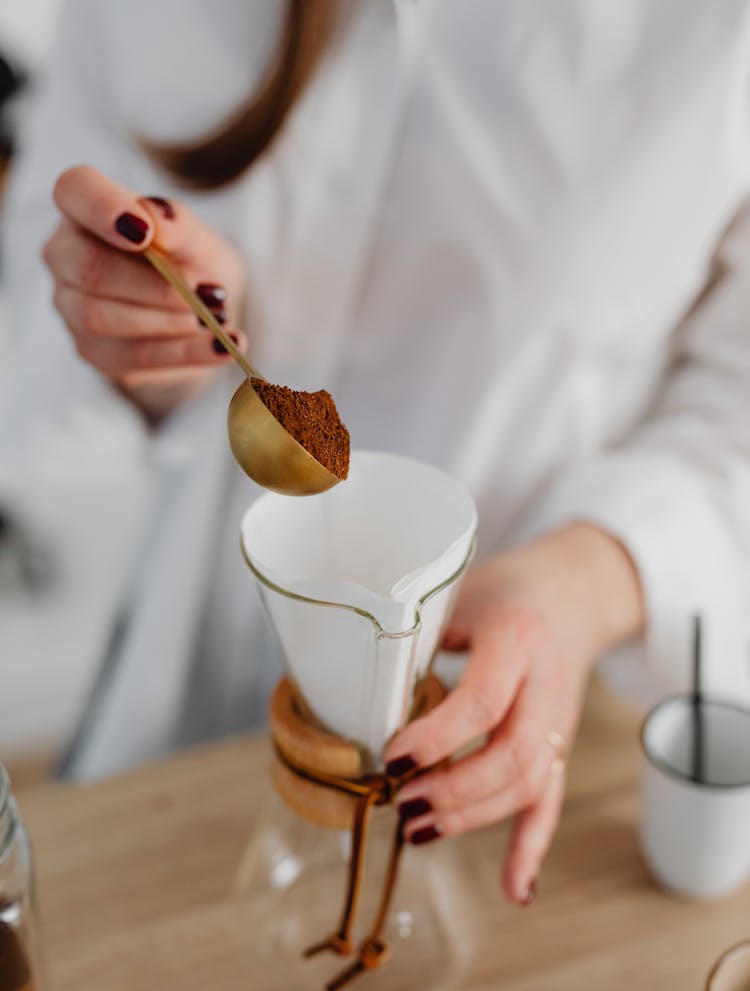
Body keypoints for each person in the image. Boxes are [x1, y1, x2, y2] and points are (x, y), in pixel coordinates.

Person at [2, 0, 749, 906]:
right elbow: (31, 357)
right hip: (171, 708)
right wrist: (143, 345)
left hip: (481, 707)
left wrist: (581, 584)